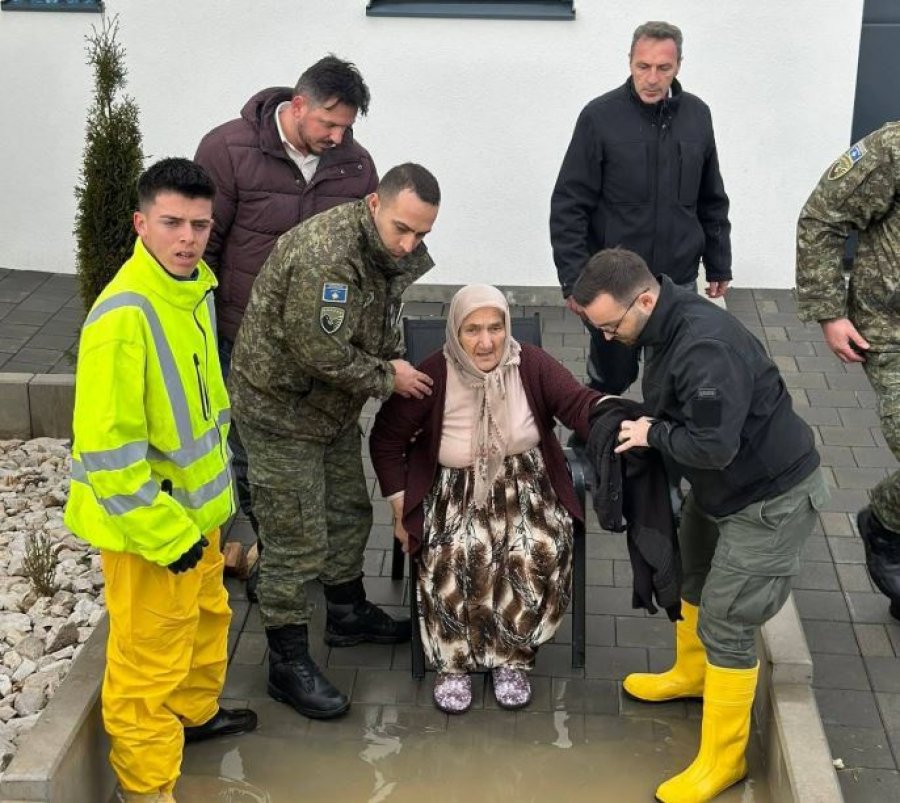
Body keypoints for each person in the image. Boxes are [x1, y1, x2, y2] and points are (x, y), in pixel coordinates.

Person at [573, 248, 828, 803]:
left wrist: (650, 435)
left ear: (644, 298)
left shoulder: (704, 346)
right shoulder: (660, 324)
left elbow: (712, 446)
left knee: (730, 622)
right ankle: (692, 675)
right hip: (721, 493)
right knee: (689, 575)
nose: (608, 338)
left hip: (767, 502)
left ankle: (724, 759)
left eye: (611, 326)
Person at [64, 158, 257, 803]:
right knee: (146, 668)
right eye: (172, 223)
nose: (188, 237)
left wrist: (213, 512)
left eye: (200, 224)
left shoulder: (192, 289)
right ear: (141, 223)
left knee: (206, 621)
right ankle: (148, 793)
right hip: (152, 534)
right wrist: (162, 534)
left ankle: (195, 717)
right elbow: (106, 454)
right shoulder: (124, 317)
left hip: (197, 520)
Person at [228, 163, 440, 720]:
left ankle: (345, 614)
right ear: (374, 203)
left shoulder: (379, 249)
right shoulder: (330, 257)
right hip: (282, 410)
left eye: (422, 235)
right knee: (293, 538)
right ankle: (286, 661)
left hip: (329, 411)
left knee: (348, 511)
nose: (409, 243)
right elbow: (316, 352)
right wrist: (387, 377)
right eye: (402, 228)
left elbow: (372, 322)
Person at [369, 285, 602, 713]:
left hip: (526, 483)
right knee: (458, 551)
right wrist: (400, 506)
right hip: (454, 487)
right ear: (455, 333)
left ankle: (512, 656)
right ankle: (455, 662)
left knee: (537, 550)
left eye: (495, 327)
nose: (486, 340)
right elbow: (385, 439)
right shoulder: (434, 374)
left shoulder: (529, 363)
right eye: (472, 329)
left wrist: (615, 417)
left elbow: (577, 403)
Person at [195, 55, 376, 596]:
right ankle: (277, 557)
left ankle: (304, 551)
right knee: (254, 454)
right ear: (297, 106)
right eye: (328, 123)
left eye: (346, 126)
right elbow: (205, 246)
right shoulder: (226, 150)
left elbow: (363, 252)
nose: (337, 135)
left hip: (320, 344)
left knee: (320, 451)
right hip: (243, 339)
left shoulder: (355, 164)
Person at [550, 20, 731, 395]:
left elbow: (711, 196)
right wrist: (573, 278)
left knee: (674, 380)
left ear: (678, 65)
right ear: (629, 62)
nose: (652, 78)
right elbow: (569, 203)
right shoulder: (599, 118)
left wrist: (719, 262)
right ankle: (596, 440)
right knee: (611, 379)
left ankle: (663, 447)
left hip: (677, 281)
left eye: (663, 68)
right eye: (642, 66)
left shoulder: (698, 116)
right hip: (615, 285)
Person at [797, 122, 900, 621]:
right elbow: (823, 218)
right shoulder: (892, 148)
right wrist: (829, 310)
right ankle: (886, 523)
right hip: (891, 328)